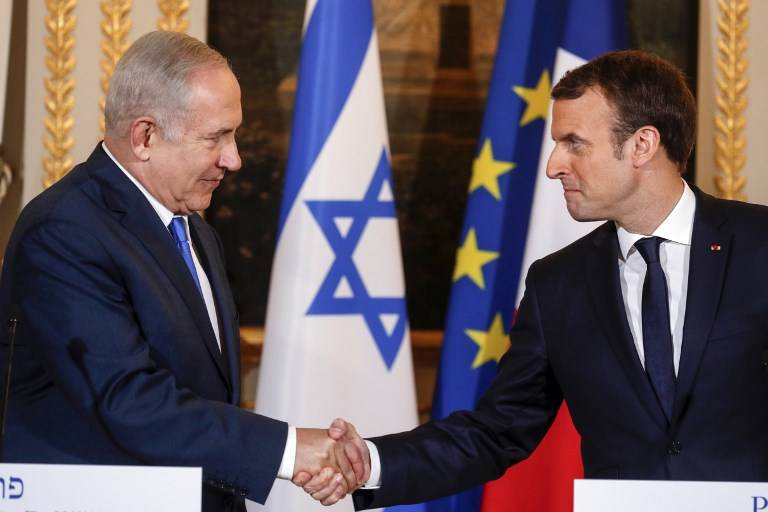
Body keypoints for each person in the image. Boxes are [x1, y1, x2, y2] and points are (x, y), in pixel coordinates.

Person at [298, 49, 768, 507]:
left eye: (574, 144)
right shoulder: (557, 283)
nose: (553, 165)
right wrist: (372, 462)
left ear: (642, 145)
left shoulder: (760, 245)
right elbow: (498, 430)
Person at [0, 31, 367, 511]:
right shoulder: (64, 230)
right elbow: (127, 399)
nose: (233, 159)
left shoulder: (194, 230)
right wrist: (291, 449)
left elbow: (204, 391)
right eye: (217, 137)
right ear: (145, 136)